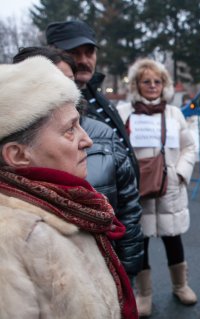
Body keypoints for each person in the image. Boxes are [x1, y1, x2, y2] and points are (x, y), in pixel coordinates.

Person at [0, 56, 137, 318]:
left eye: (79, 124)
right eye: (70, 130)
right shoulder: (13, 239)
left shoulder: (66, 204)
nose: (87, 140)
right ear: (17, 155)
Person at [117, 58, 197, 315]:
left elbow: (189, 147)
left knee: (174, 239)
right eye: (146, 81)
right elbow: (117, 149)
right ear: (137, 84)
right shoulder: (124, 113)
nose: (152, 85)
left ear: (164, 85)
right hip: (137, 190)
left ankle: (181, 285)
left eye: (157, 81)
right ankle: (144, 294)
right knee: (140, 243)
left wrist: (180, 174)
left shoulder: (174, 113)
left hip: (169, 188)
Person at [45, 20, 139, 181]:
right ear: (54, 55)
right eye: (74, 52)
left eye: (89, 53)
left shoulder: (99, 98)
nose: (83, 60)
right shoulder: (48, 107)